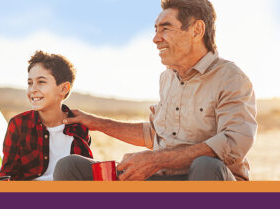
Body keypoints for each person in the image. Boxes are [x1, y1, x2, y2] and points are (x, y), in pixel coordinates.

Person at [54, 0, 256, 181]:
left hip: (208, 179)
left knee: (206, 166)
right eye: (156, 29)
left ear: (197, 30)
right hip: (162, 178)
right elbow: (153, 134)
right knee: (70, 166)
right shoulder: (167, 78)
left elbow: (234, 142)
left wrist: (157, 160)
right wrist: (96, 123)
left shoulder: (231, 78)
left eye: (165, 29)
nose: (155, 38)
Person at [0, 50, 92, 181]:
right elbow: (7, 172)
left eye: (41, 82)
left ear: (64, 89)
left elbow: (83, 175)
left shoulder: (78, 126)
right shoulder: (18, 124)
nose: (33, 89)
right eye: (30, 83)